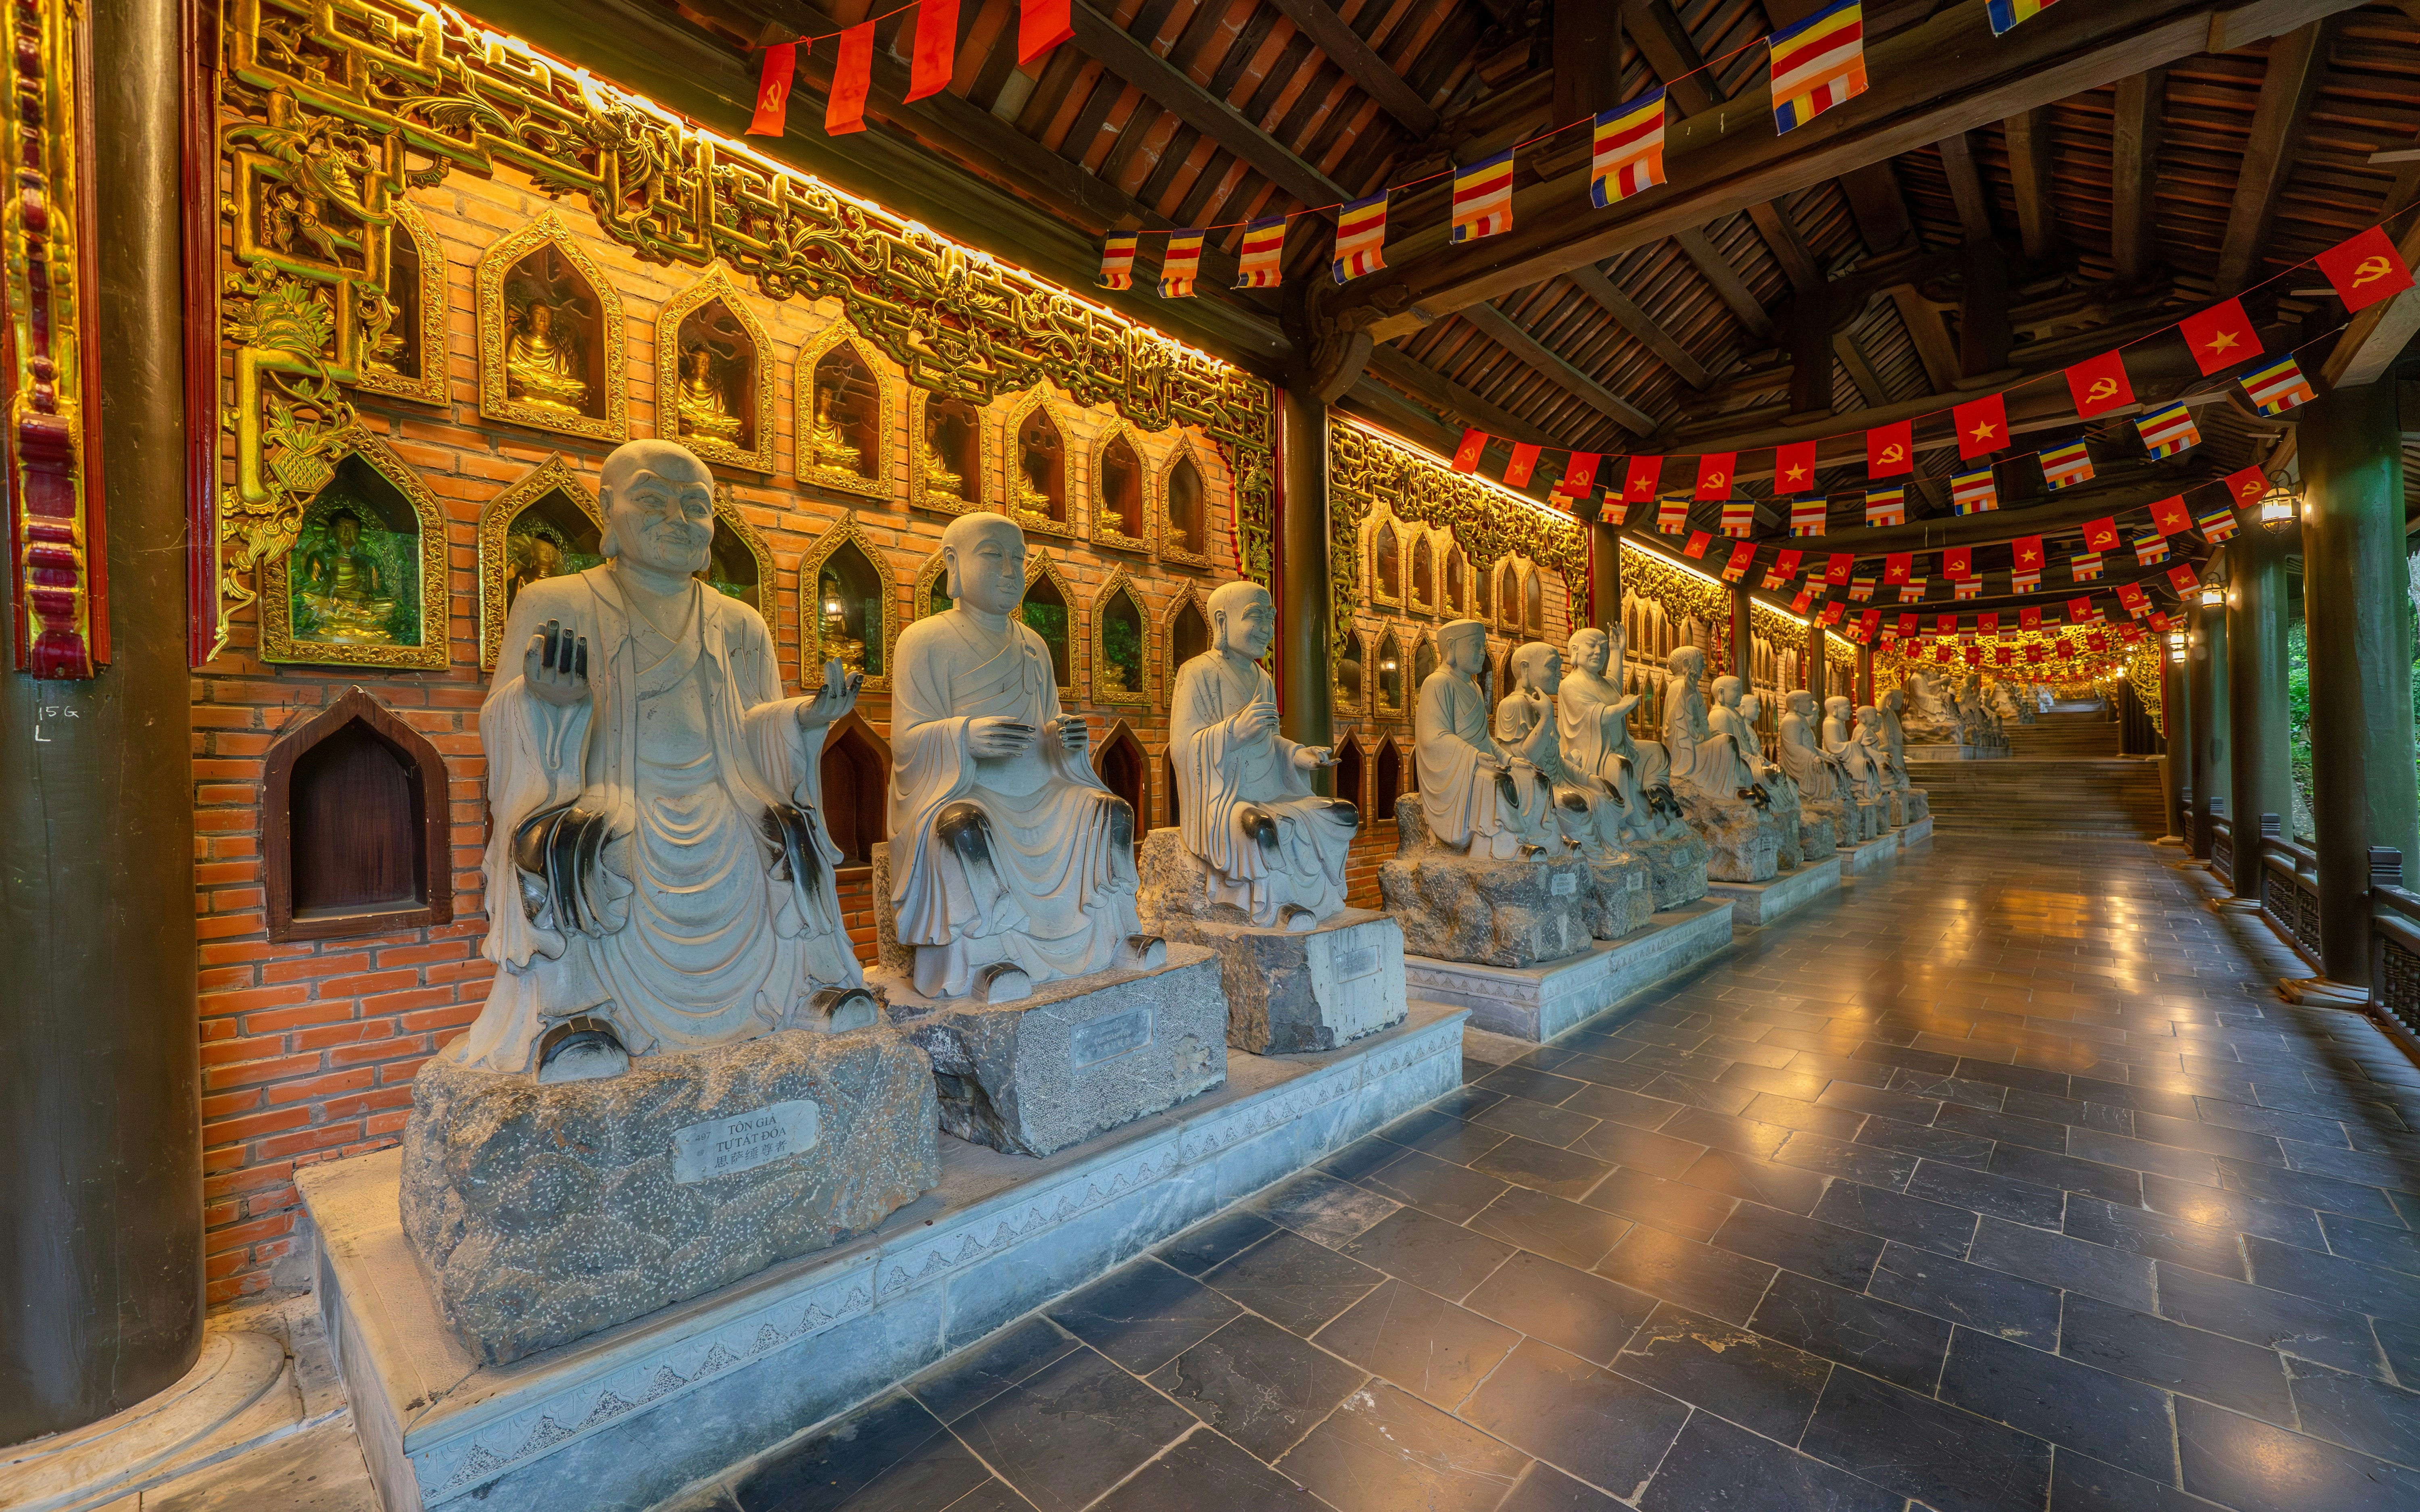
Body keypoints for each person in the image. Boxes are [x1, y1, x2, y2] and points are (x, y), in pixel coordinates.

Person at [448, 439, 865, 1076]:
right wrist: (547, 702)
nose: (677, 519)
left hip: (722, 794)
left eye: (696, 507)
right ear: (608, 511)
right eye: (653, 500)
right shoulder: (556, 601)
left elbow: (754, 722)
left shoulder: (740, 621)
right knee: (558, 843)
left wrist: (803, 719)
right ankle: (574, 1013)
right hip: (613, 797)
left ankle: (811, 985)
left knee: (793, 831)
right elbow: (499, 720)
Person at [887, 512, 1147, 1000]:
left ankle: (1115, 934)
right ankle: (988, 956)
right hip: (972, 791)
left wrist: (1065, 738)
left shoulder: (1033, 645)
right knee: (962, 828)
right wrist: (964, 736)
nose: (1010, 570)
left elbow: (1046, 725)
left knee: (1111, 812)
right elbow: (907, 740)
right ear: (953, 564)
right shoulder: (923, 641)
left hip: (1040, 789)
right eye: (993, 555)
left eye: (1018, 559)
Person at [1168, 581, 1357, 928]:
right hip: (1224, 800)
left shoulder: (1263, 679)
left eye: (1271, 619)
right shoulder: (1196, 673)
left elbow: (1271, 742)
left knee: (1343, 815)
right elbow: (1183, 748)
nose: (1268, 629)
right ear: (1222, 622)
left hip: (1272, 792)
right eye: (1256, 617)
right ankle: (1276, 905)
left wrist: (1298, 756)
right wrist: (1233, 733)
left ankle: (1322, 899)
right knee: (1261, 829)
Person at [1415, 619, 1556, 860]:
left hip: (1480, 764)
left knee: (1535, 777)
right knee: (1498, 781)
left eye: (1484, 646)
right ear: (1452, 646)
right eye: (1476, 645)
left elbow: (1485, 739)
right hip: (1458, 772)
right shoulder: (1438, 683)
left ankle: (1541, 838)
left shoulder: (1475, 688)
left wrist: (1509, 759)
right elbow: (1432, 738)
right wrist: (1474, 756)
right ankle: (1504, 847)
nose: (1483, 652)